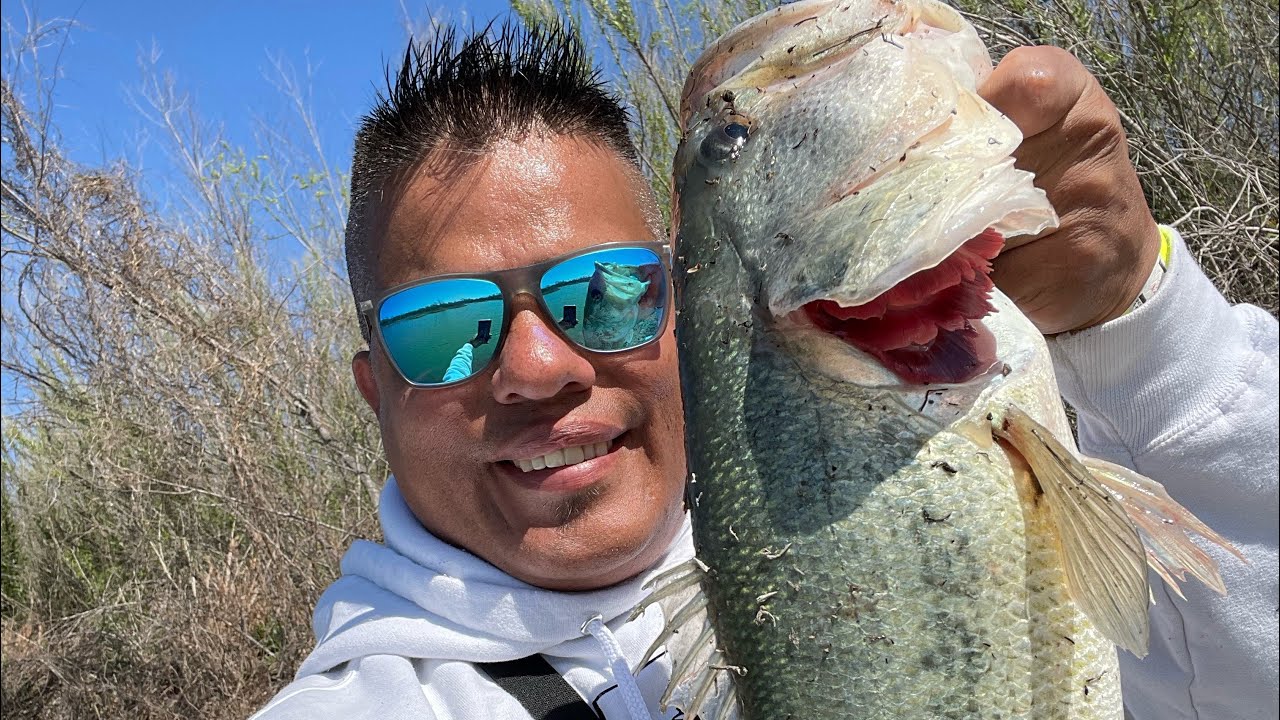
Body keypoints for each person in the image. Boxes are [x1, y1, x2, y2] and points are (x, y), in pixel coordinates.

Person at [252, 21, 1278, 720]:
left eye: (604, 290)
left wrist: (1139, 340)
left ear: (680, 313)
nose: (534, 365)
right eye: (443, 327)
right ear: (374, 389)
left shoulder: (1015, 425)